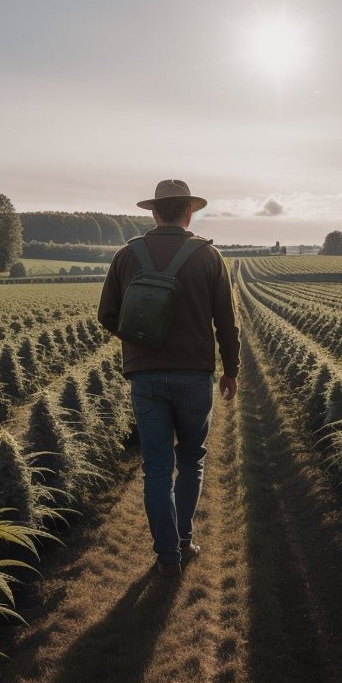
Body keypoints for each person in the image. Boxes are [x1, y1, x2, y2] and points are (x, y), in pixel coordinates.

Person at [98, 179, 240, 577]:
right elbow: (227, 325)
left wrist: (141, 338)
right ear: (189, 212)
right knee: (191, 460)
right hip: (195, 377)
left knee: (156, 466)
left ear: (154, 213)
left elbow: (106, 315)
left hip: (145, 377)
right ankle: (182, 540)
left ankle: (167, 557)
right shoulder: (210, 257)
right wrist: (231, 371)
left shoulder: (127, 256)